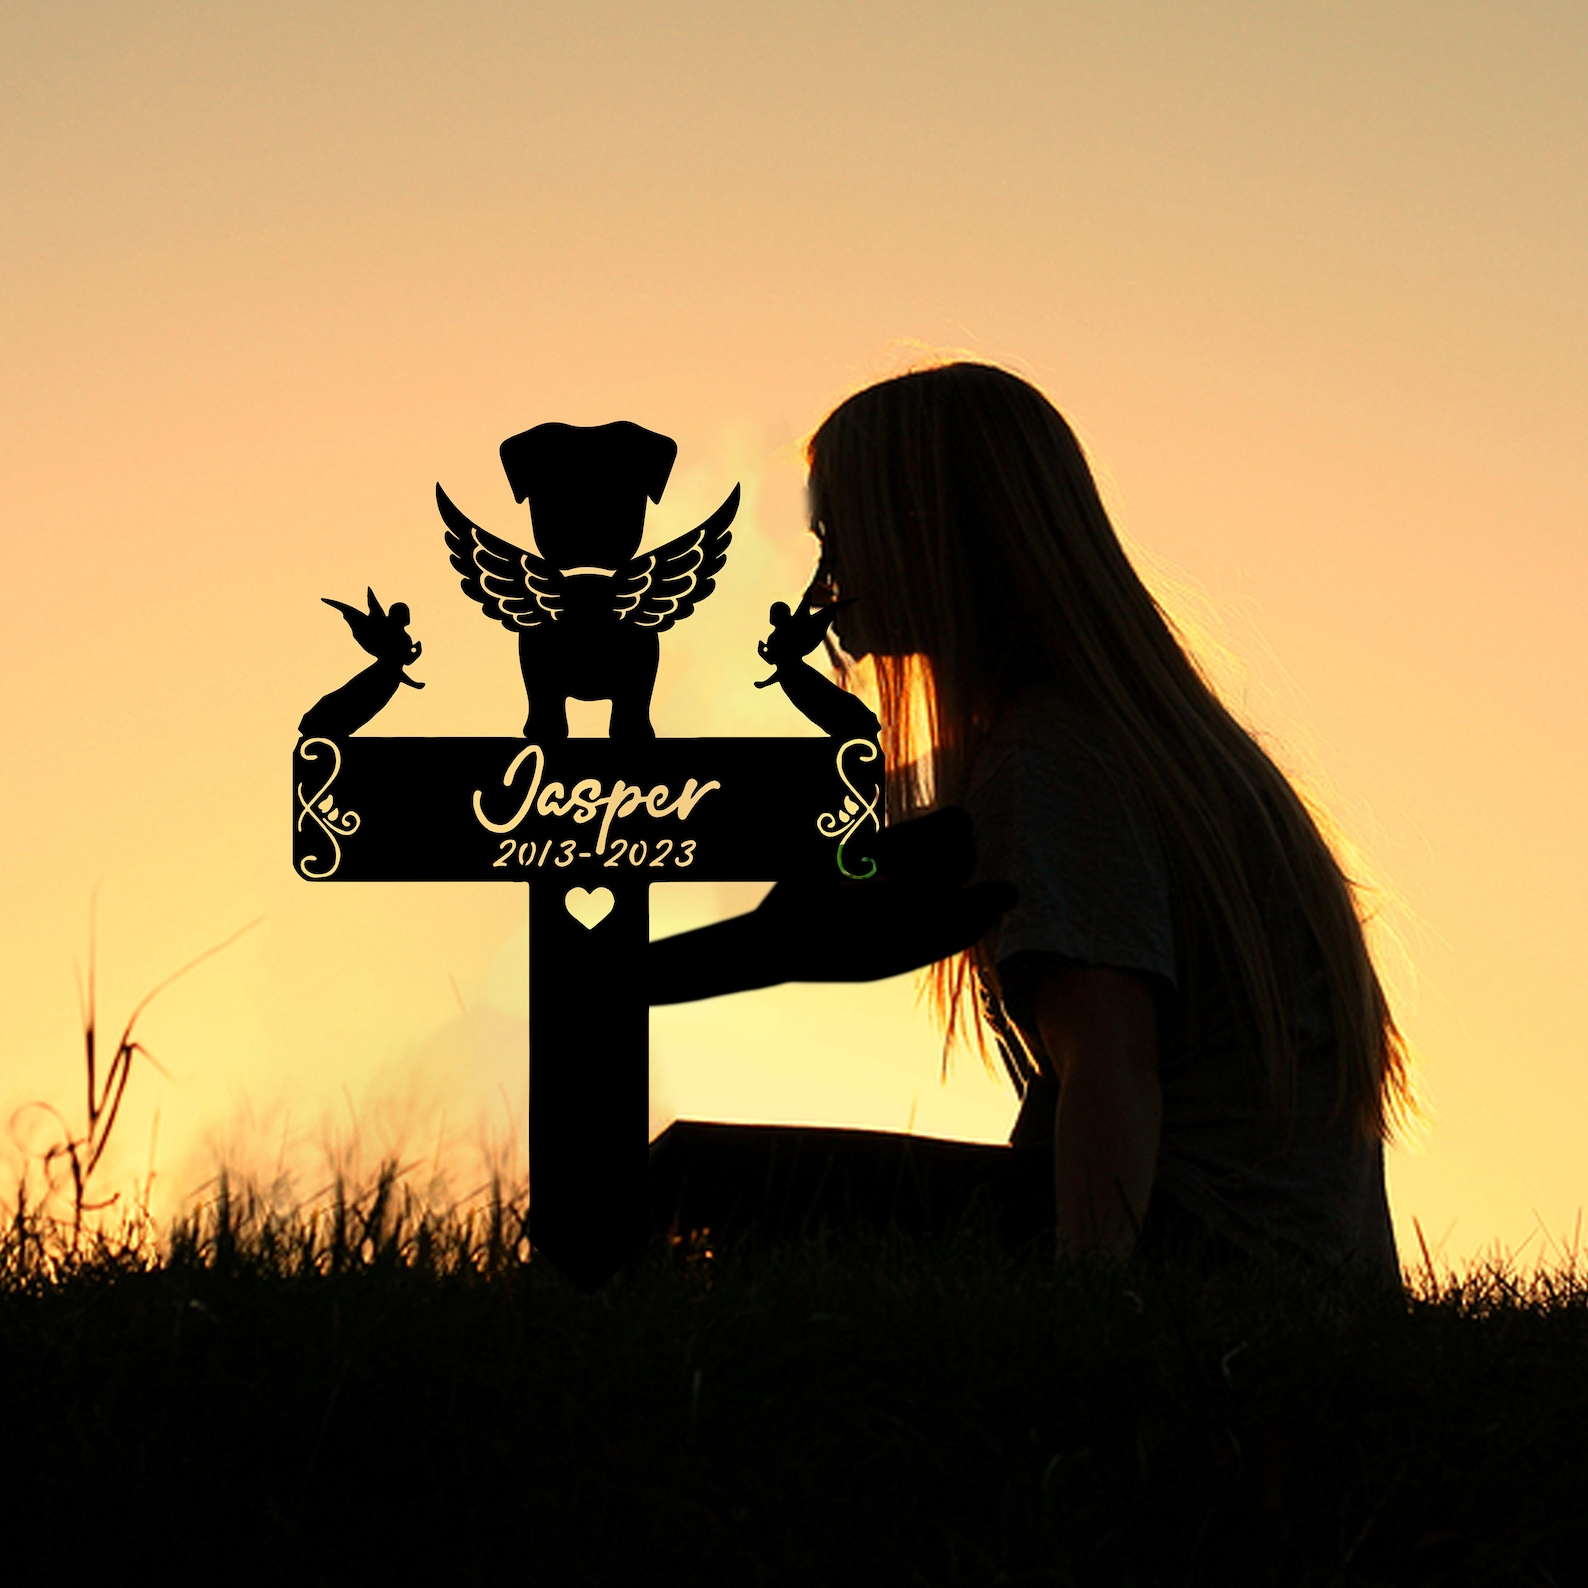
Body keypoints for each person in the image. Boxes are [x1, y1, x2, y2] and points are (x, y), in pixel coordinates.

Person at [651, 361, 1417, 1292]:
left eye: (843, 539)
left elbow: (1111, 1061)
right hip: (1283, 1266)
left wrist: (1081, 1308)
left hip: (1212, 1264)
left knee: (692, 1184)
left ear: (933, 534)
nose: (825, 583)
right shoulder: (1125, 740)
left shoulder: (1052, 755)